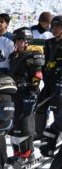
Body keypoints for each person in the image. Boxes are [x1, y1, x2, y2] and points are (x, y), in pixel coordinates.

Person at [7, 27, 45, 169]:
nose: (19, 43)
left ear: (28, 41)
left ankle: (28, 155)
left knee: (25, 126)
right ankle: (17, 153)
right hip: (14, 94)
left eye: (22, 40)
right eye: (17, 40)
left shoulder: (33, 55)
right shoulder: (13, 56)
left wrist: (32, 92)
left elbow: (37, 75)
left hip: (27, 94)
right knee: (14, 126)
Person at [38, 16, 62, 169]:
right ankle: (51, 133)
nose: (55, 29)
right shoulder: (48, 43)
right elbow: (45, 62)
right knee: (50, 110)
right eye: (53, 26)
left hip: (61, 85)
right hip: (50, 83)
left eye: (58, 26)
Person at [30, 12, 54, 140]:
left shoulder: (52, 33)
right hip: (32, 65)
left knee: (48, 95)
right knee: (34, 92)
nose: (46, 25)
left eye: (48, 23)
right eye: (44, 22)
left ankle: (46, 126)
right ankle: (36, 127)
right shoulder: (32, 30)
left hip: (47, 66)